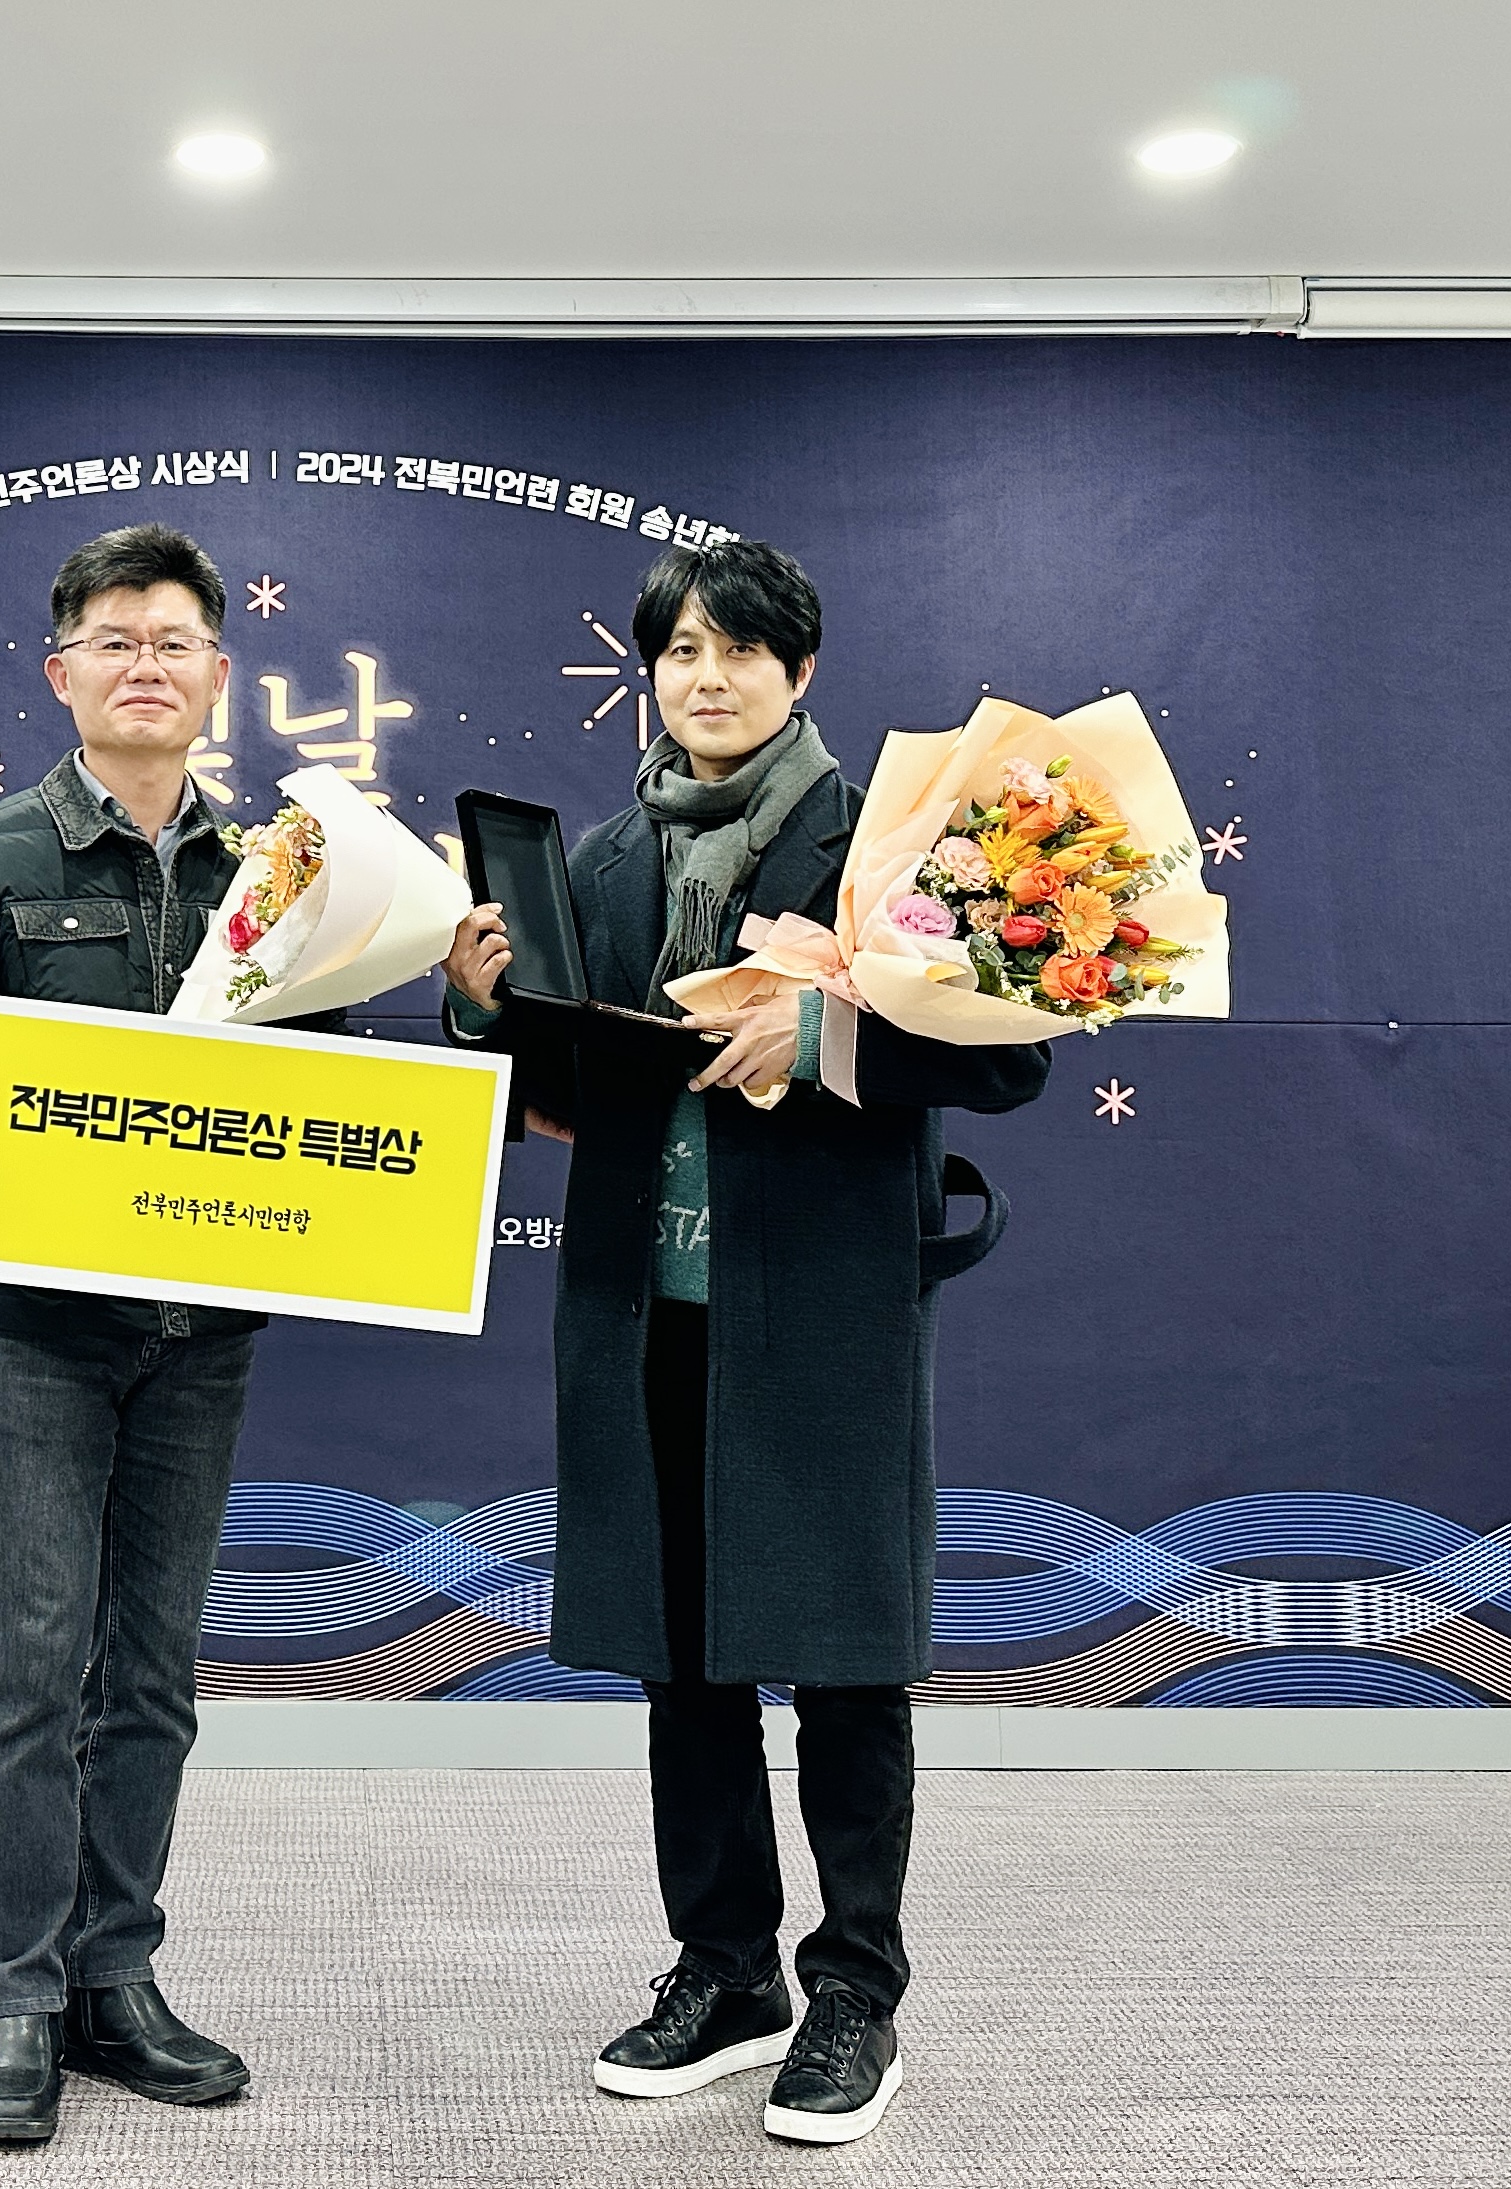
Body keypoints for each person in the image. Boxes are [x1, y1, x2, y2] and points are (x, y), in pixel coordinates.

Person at [441, 538, 1050, 2147]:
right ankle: (726, 1971)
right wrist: (484, 1005)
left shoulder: (896, 842)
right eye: (680, 652)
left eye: (738, 651)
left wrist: (827, 1025)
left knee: (844, 1658)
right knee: (685, 1660)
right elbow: (565, 1089)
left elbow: (1013, 1059)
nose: (705, 678)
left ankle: (855, 1988)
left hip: (825, 1312)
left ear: (801, 670)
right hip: (644, 1307)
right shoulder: (602, 862)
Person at [0, 523, 317, 2145]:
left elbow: (334, 1070)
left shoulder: (275, 871)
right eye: (114, 639)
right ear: (62, 673)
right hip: (34, 1331)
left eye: (174, 640)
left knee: (153, 1673)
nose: (145, 664)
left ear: (218, 675)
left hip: (203, 1326)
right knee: (30, 1667)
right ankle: (14, 1994)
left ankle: (115, 1976)